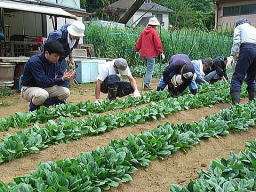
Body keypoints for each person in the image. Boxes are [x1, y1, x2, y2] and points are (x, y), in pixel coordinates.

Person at [21, 40, 76, 111]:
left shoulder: (54, 61)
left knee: (65, 92)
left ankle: (56, 108)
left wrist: (65, 78)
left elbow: (55, 80)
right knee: (42, 94)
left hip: (45, 88)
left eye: (58, 56)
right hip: (29, 88)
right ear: (46, 53)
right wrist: (61, 79)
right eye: (55, 56)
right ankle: (33, 111)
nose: (57, 58)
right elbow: (43, 82)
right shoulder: (35, 61)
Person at [43, 20, 85, 87]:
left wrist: (71, 58)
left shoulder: (77, 38)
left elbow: (70, 47)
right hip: (50, 58)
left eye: (78, 36)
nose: (77, 37)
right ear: (70, 31)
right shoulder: (57, 35)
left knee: (64, 79)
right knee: (50, 78)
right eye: (76, 35)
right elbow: (47, 49)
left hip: (61, 58)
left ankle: (62, 95)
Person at [230, 18, 256, 104]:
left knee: (237, 77)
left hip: (246, 49)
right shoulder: (254, 28)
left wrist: (234, 53)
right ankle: (252, 103)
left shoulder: (239, 27)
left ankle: (236, 106)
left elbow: (236, 40)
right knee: (251, 79)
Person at [135, 16, 164, 90]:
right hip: (151, 54)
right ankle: (146, 85)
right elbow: (158, 43)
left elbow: (139, 42)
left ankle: (146, 83)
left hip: (143, 54)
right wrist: (161, 52)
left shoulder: (143, 31)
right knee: (149, 70)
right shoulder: (154, 32)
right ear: (154, 25)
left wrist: (137, 50)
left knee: (147, 69)